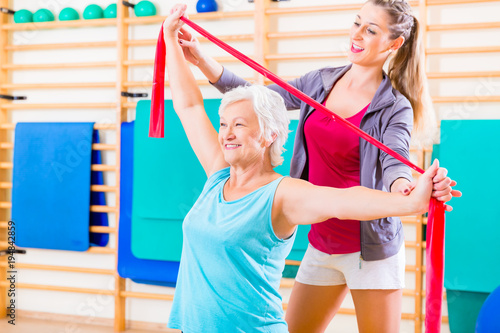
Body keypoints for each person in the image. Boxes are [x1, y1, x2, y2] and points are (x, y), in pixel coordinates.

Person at [161, 5, 459, 333]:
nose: (357, 34)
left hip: (368, 247)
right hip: (323, 239)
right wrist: (200, 60)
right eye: (357, 23)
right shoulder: (318, 82)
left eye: (371, 30)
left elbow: (392, 162)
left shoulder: (394, 106)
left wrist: (406, 192)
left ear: (394, 44)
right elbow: (257, 101)